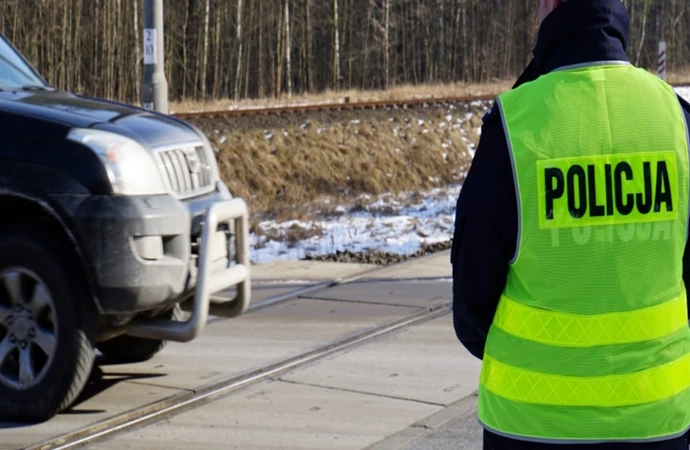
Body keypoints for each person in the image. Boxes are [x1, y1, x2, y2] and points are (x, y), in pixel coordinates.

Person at [451, 0, 690, 449]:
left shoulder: (513, 125)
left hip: (529, 427)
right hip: (656, 422)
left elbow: (471, 299)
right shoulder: (676, 120)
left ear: (549, 6)